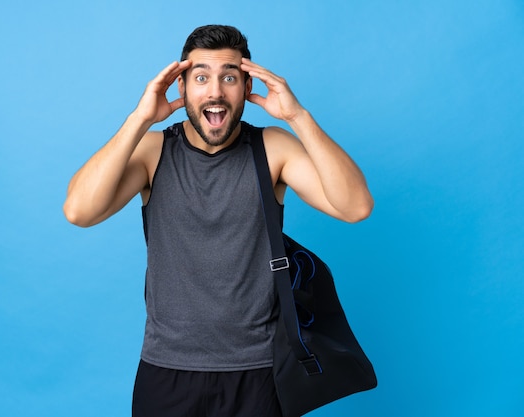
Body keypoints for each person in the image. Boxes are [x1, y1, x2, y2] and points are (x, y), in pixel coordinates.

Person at [64, 25, 373, 417]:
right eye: (201, 77)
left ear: (246, 86)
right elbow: (79, 211)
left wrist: (297, 116)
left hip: (259, 373)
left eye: (229, 77)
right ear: (181, 88)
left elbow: (355, 207)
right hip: (167, 371)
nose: (215, 91)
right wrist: (139, 119)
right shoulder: (153, 152)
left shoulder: (272, 148)